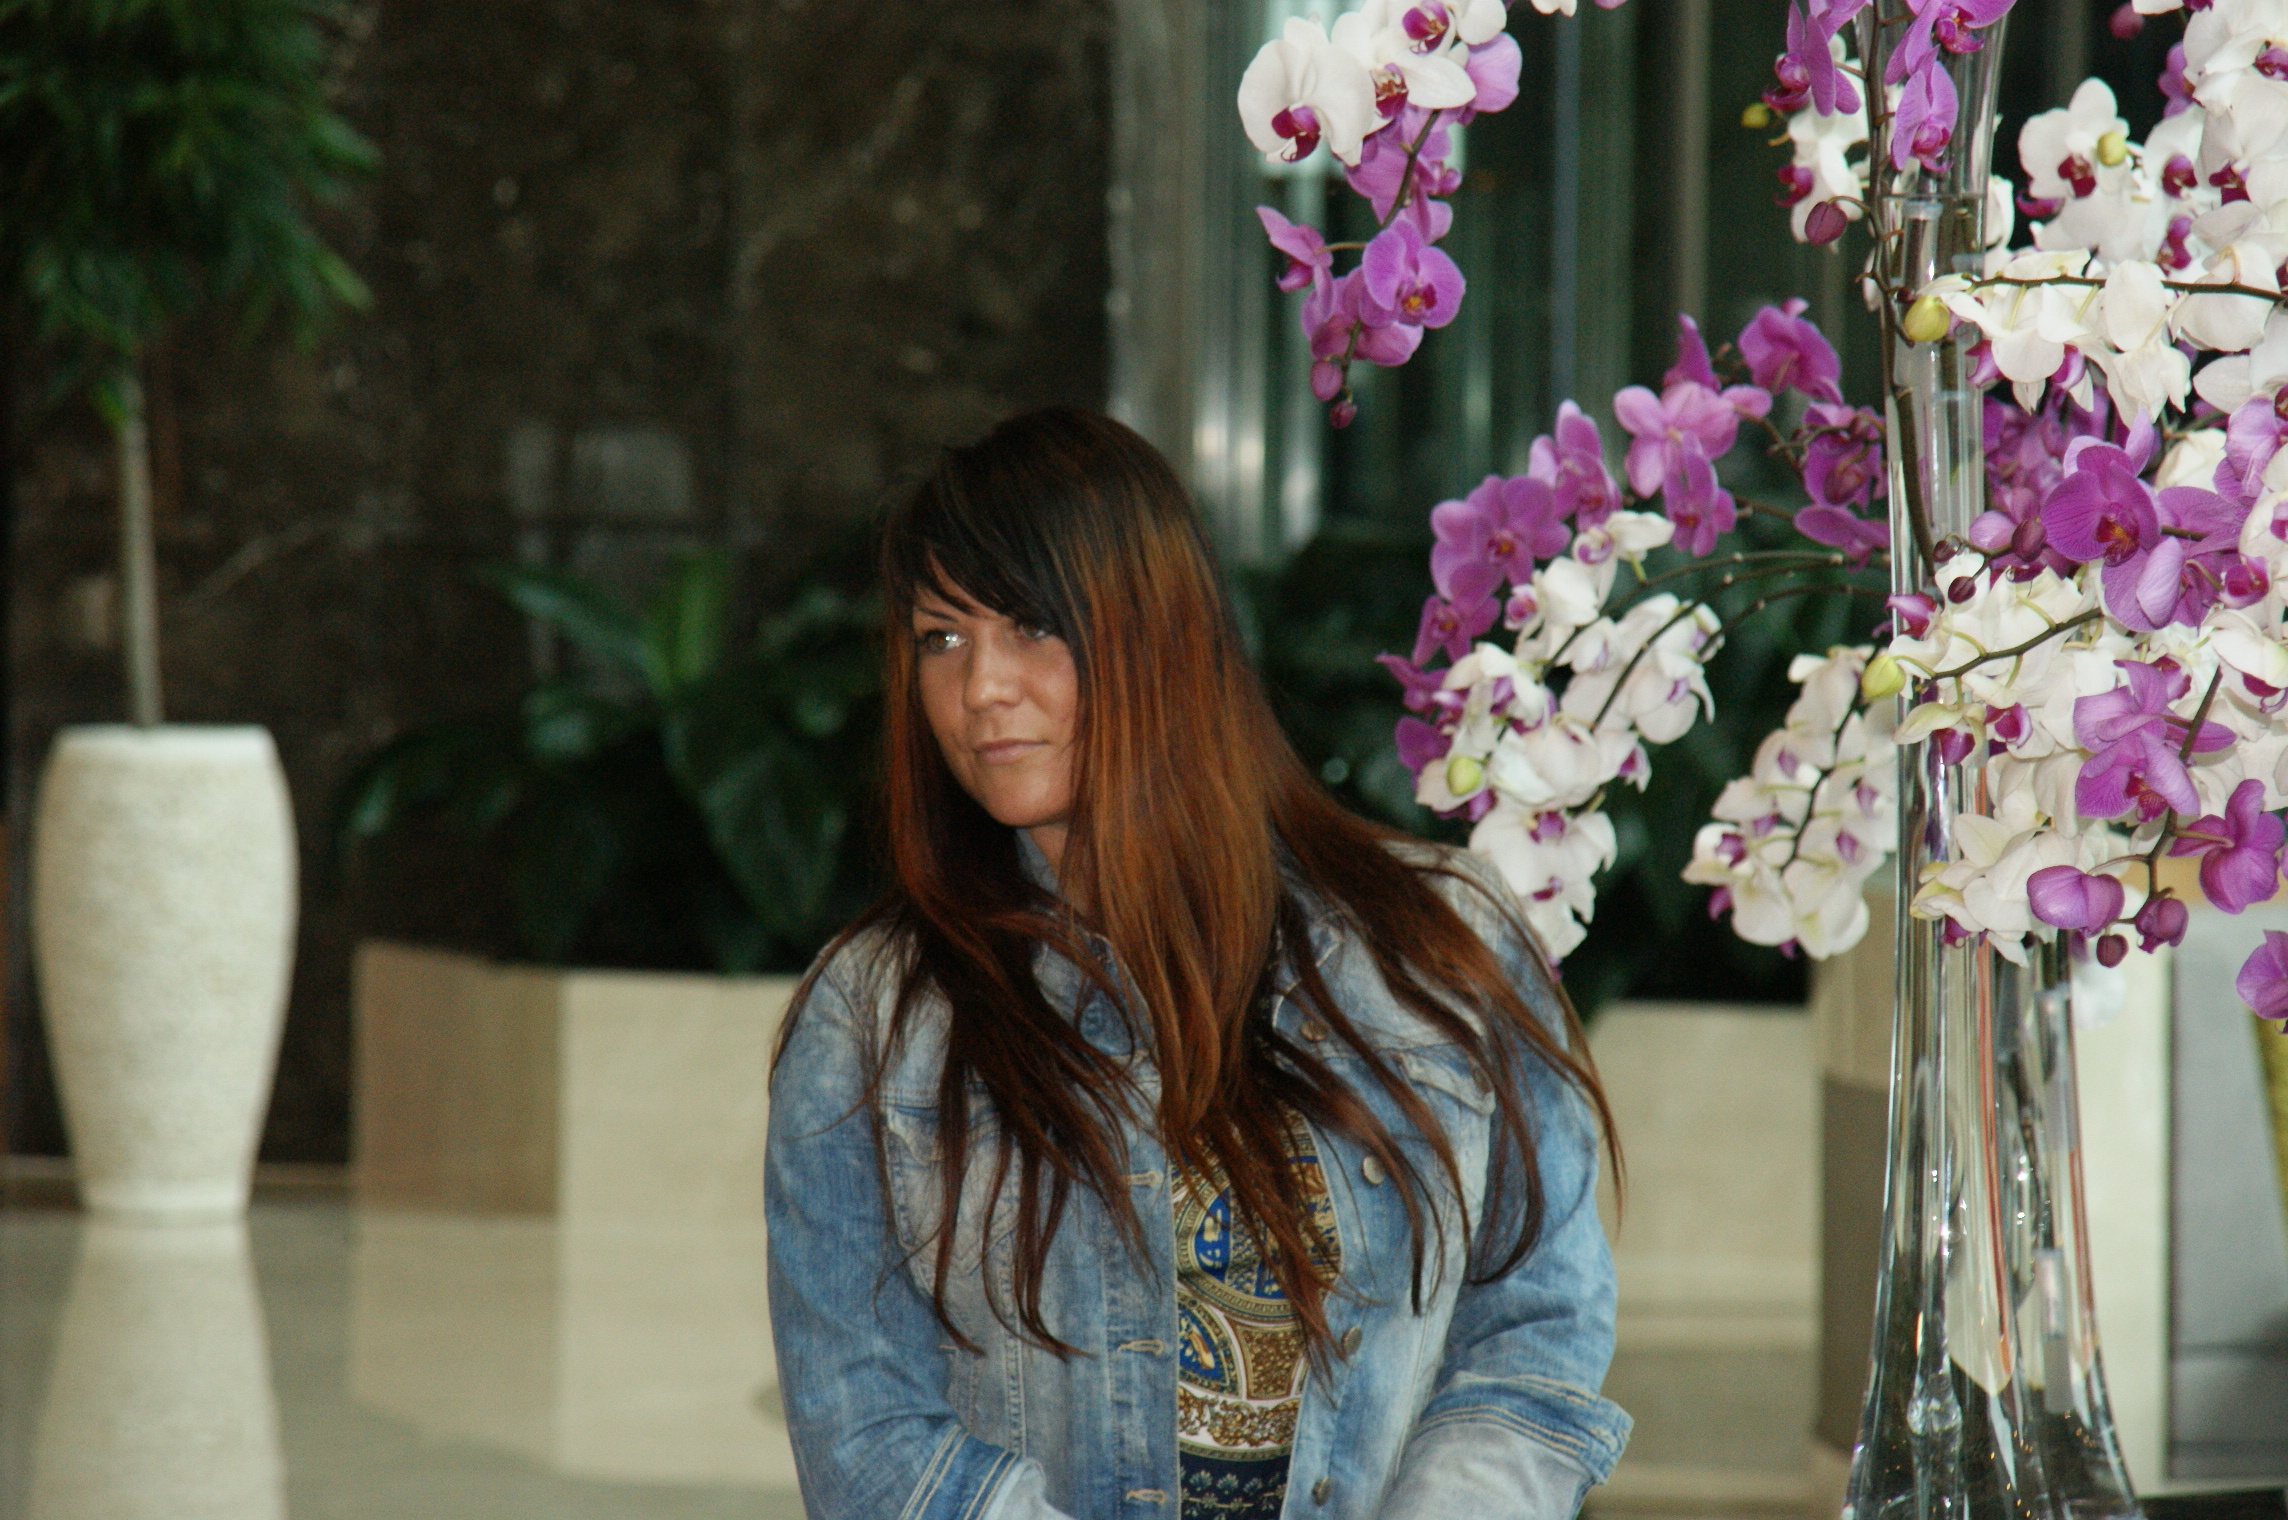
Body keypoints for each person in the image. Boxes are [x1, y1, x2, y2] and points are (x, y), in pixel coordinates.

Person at [765, 407, 1629, 1520]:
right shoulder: (873, 1018)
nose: (979, 688)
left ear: (1160, 632)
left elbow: (1532, 1331)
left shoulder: (1434, 942)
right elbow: (867, 1438)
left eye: (1032, 625)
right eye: (940, 639)